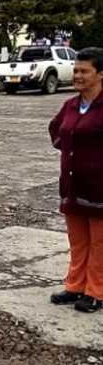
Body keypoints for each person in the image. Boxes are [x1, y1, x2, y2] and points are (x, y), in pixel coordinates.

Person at [49, 47, 103, 313]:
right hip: (72, 185)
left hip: (99, 188)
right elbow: (56, 129)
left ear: (100, 74)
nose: (78, 75)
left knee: (100, 242)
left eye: (84, 71)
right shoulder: (71, 104)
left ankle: (96, 292)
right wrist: (72, 150)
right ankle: (75, 286)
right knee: (78, 241)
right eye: (76, 70)